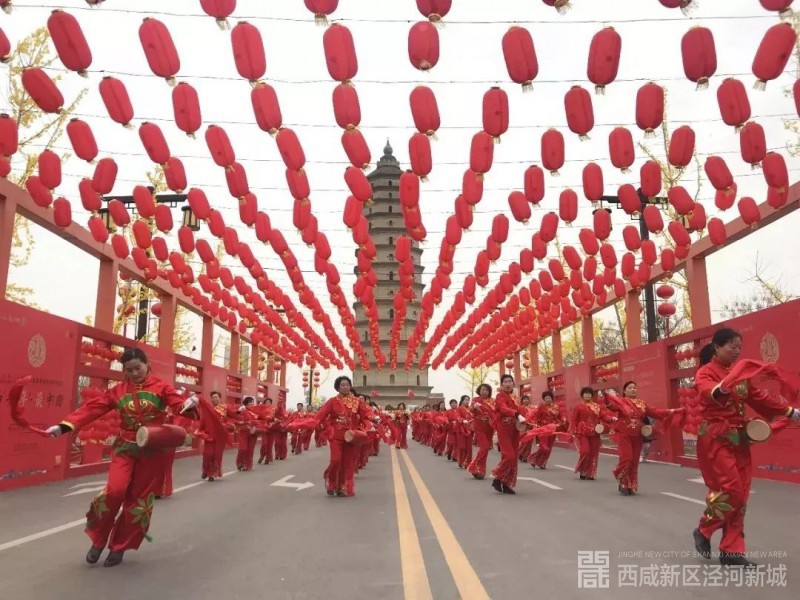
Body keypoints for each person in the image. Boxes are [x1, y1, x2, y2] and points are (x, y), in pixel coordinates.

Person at [45, 347, 199, 567]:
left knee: (138, 499)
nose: (134, 373)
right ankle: (98, 540)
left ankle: (119, 546)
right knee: (114, 491)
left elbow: (179, 406)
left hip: (152, 450)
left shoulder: (162, 387)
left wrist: (188, 405)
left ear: (146, 364)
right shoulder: (118, 391)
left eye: (138, 368)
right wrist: (63, 426)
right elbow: (93, 408)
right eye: (129, 370)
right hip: (125, 448)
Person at [692, 327, 800, 567]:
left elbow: (760, 398)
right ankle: (704, 528)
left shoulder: (740, 375)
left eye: (739, 347)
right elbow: (708, 392)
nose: (737, 351)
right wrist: (724, 386)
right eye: (732, 346)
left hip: (739, 438)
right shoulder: (705, 372)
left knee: (742, 494)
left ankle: (732, 550)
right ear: (717, 347)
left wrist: (791, 412)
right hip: (716, 437)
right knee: (731, 489)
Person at [606, 381, 681, 496]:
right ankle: (623, 482)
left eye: (634, 388)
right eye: (630, 388)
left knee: (634, 462)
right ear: (625, 391)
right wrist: (608, 399)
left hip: (637, 435)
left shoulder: (642, 404)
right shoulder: (622, 402)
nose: (633, 389)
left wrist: (671, 411)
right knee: (627, 459)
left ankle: (631, 485)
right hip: (624, 435)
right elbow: (613, 407)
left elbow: (654, 412)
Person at [315, 376, 373, 496]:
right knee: (335, 460)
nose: (345, 387)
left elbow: (366, 414)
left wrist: (371, 422)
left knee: (347, 463)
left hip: (351, 437)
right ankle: (331, 482)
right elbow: (320, 415)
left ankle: (341, 487)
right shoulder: (332, 401)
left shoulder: (357, 401)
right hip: (336, 436)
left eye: (347, 384)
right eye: (342, 385)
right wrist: (323, 426)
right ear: (338, 388)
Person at [570, 387, 616, 481]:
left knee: (594, 454)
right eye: (586, 393)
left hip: (595, 432)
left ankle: (590, 473)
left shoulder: (596, 406)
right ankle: (583, 470)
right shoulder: (578, 406)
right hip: (582, 432)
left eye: (589, 393)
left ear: (592, 395)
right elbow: (574, 420)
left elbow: (603, 416)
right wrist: (573, 430)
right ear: (582, 395)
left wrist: (611, 419)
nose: (588, 395)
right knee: (585, 451)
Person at [491, 375, 525, 495]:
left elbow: (520, 411)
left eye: (510, 381)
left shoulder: (515, 397)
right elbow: (503, 408)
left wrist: (525, 417)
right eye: (505, 382)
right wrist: (516, 414)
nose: (508, 384)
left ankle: (506, 484)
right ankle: (497, 478)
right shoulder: (500, 396)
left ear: (513, 383)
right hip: (504, 429)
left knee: (514, 458)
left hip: (514, 429)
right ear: (502, 384)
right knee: (509, 456)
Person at [528, 390, 567, 469]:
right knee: (544, 447)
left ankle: (542, 462)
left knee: (549, 447)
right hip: (543, 429)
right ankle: (533, 458)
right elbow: (536, 417)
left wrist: (563, 420)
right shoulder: (541, 407)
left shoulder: (556, 407)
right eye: (546, 398)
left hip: (553, 429)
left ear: (552, 398)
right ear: (544, 399)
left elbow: (560, 417)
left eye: (549, 398)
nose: (548, 399)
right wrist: (535, 425)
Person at [468, 383, 495, 480]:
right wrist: (475, 407)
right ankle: (475, 466)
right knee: (485, 447)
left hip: (489, 428)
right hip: (479, 427)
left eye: (487, 390)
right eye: (483, 390)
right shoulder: (475, 400)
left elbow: (495, 412)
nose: (485, 392)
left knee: (486, 449)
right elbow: (471, 410)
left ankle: (481, 470)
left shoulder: (492, 401)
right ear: (479, 390)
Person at [235, 397, 258, 471]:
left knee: (250, 450)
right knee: (242, 449)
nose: (251, 404)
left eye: (252, 403)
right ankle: (240, 463)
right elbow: (235, 417)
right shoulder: (242, 410)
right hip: (244, 432)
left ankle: (247, 465)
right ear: (246, 404)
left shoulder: (256, 412)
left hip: (253, 432)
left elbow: (261, 420)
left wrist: (256, 427)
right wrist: (238, 412)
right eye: (249, 403)